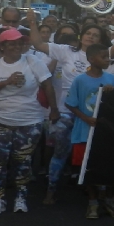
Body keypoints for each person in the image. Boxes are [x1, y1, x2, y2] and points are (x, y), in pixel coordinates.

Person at [25, 11, 103, 205]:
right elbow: (38, 44)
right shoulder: (65, 50)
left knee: (92, 155)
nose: (91, 36)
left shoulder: (103, 56)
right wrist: (32, 23)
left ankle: (95, 193)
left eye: (96, 35)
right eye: (88, 33)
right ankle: (51, 190)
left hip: (92, 115)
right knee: (60, 152)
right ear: (81, 35)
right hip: (66, 111)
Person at [0, 29, 59, 215]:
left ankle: (21, 198)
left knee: (22, 162)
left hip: (29, 121)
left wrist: (54, 109)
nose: (16, 47)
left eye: (19, 43)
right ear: (2, 46)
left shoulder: (33, 62)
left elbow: (47, 85)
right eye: (12, 43)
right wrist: (6, 82)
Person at [64, 43, 114, 219]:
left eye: (108, 57)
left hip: (105, 131)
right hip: (85, 129)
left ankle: (106, 199)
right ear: (91, 59)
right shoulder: (80, 80)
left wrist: (111, 94)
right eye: (103, 57)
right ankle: (92, 201)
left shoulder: (111, 79)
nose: (107, 60)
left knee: (104, 166)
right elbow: (70, 103)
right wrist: (85, 118)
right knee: (86, 167)